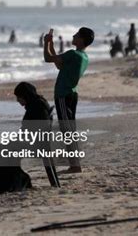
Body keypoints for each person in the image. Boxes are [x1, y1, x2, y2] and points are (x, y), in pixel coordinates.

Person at [0, 82, 60, 197]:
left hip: (35, 145)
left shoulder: (37, 107)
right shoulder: (37, 104)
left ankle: (8, 184)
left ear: (25, 95)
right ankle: (11, 183)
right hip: (35, 143)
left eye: (19, 97)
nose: (17, 100)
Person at [43, 27, 94, 174]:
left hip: (63, 95)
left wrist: (46, 43)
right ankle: (74, 164)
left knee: (67, 130)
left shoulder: (73, 54)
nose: (73, 35)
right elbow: (58, 63)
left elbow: (48, 58)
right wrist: (51, 44)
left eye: (76, 35)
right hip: (71, 95)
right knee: (69, 130)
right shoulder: (82, 56)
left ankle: (75, 165)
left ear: (82, 39)